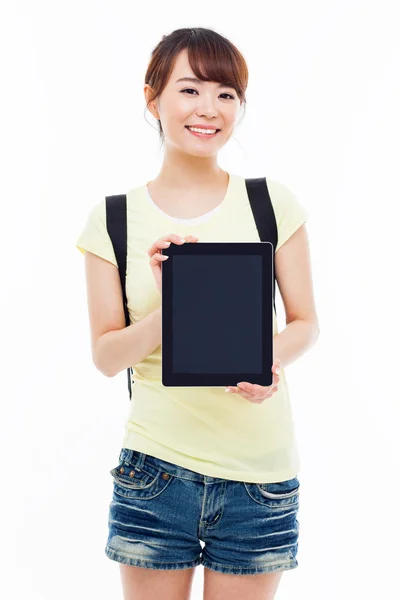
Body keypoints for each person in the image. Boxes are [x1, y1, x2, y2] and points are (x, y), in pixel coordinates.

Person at [76, 26, 319, 600]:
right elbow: (107, 357)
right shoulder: (114, 219)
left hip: (260, 480)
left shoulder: (271, 204)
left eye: (226, 93)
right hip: (156, 473)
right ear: (152, 97)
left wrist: (268, 362)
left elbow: (306, 324)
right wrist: (178, 304)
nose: (208, 109)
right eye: (189, 90)